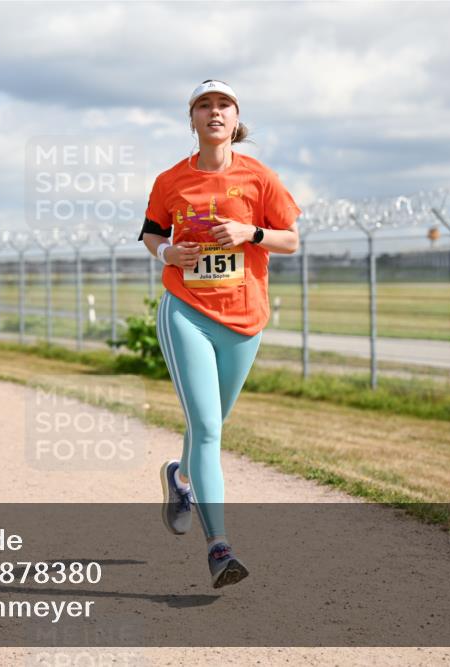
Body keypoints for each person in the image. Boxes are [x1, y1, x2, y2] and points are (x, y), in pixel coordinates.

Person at [140, 80, 300, 589]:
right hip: (185, 308)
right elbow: (151, 232)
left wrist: (250, 234)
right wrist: (168, 254)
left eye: (223, 106)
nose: (214, 113)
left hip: (244, 317)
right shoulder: (170, 180)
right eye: (203, 106)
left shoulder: (259, 177)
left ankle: (180, 478)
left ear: (236, 120)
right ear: (192, 120)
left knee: (213, 423)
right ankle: (220, 547)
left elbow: (292, 239)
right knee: (207, 428)